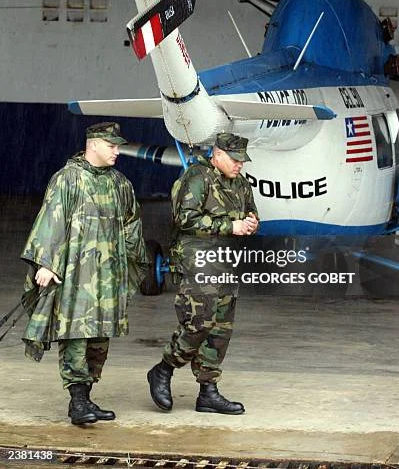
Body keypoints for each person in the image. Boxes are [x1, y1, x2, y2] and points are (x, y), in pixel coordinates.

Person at [21, 122, 149, 425]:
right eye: (112, 145)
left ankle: (86, 397)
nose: (117, 151)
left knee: (99, 338)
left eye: (118, 146)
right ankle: (77, 400)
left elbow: (132, 224)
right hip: (75, 278)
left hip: (107, 278)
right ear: (93, 144)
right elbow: (51, 219)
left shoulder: (120, 183)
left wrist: (131, 264)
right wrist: (46, 263)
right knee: (75, 335)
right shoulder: (67, 179)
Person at [147, 132, 259, 415]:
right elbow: (184, 218)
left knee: (221, 328)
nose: (239, 165)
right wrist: (229, 226)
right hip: (198, 261)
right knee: (198, 322)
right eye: (234, 160)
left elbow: (250, 212)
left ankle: (208, 391)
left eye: (242, 161)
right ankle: (163, 369)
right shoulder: (198, 178)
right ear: (217, 154)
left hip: (226, 262)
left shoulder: (241, 184)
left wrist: (250, 223)